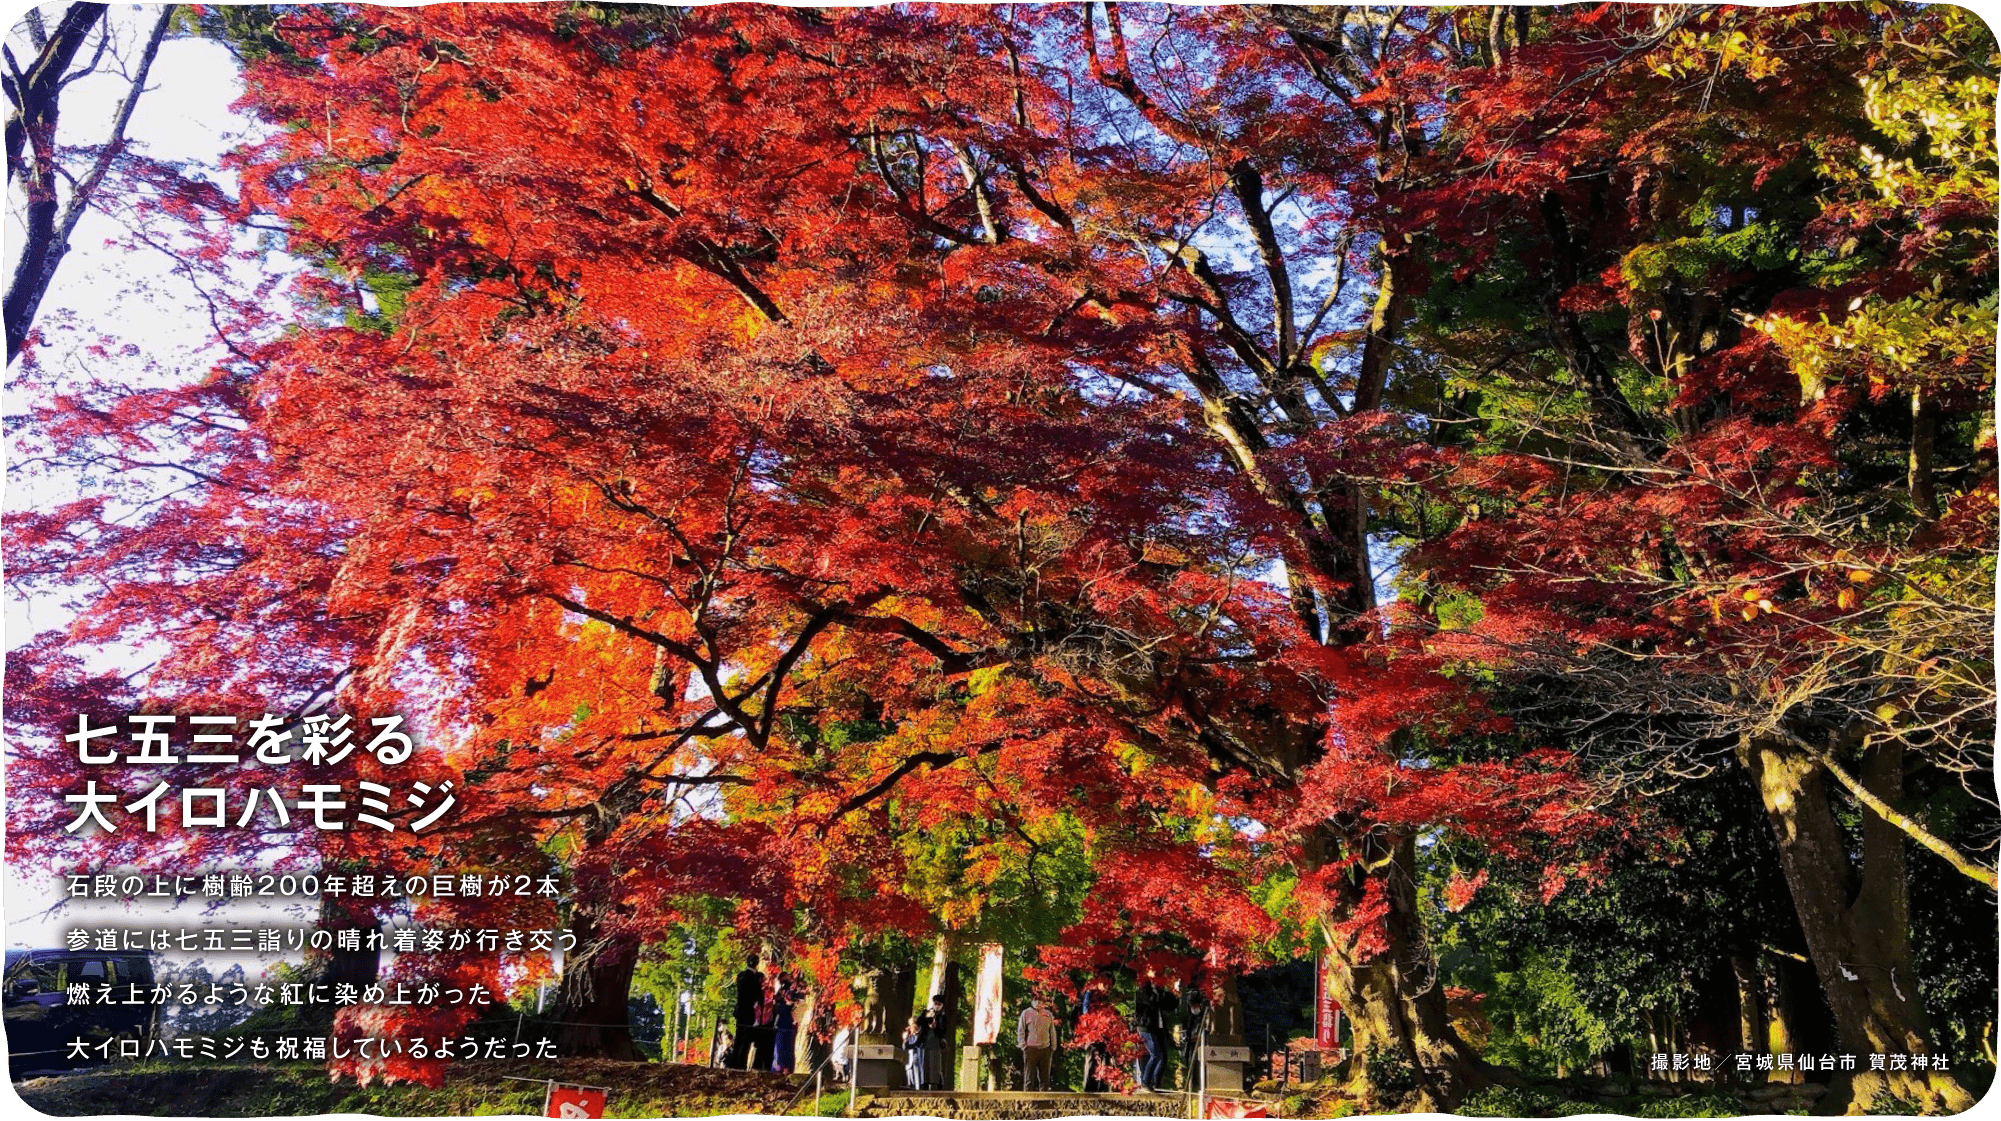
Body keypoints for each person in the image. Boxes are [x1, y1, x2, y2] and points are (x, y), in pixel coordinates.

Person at [1016, 993, 1058, 1091]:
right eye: (1036, 1001)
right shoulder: (1026, 1013)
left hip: (1045, 1048)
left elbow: (1052, 1031)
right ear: (1032, 1002)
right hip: (1030, 1048)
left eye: (1041, 1002)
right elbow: (1021, 1030)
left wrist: (1053, 1046)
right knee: (1029, 1076)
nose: (1038, 1003)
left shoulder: (1048, 1014)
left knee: (1045, 1077)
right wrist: (1023, 1045)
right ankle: (1028, 1098)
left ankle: (1044, 1097)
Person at [728, 955, 762, 1069]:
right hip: (748, 1010)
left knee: (738, 1037)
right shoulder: (755, 978)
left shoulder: (740, 975)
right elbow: (758, 995)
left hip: (739, 1010)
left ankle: (734, 1062)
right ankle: (741, 1064)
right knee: (746, 1039)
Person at [1178, 978, 1209, 1090]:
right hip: (1190, 1043)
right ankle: (1191, 1085)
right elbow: (1187, 1027)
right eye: (1191, 1005)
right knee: (1190, 1063)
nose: (1193, 1007)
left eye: (1194, 1005)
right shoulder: (1188, 1014)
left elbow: (1206, 1028)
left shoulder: (1205, 1012)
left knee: (1200, 1065)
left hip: (1203, 1043)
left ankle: (1200, 1085)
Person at [771, 973, 800, 1073]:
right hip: (783, 1022)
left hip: (787, 1023)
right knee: (781, 1047)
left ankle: (785, 1068)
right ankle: (780, 1067)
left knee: (786, 1048)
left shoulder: (792, 993)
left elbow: (792, 1004)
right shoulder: (782, 992)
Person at [919, 994, 950, 1090]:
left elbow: (942, 1031)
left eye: (939, 1004)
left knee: (934, 1065)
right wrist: (928, 1018)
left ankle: (938, 1084)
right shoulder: (927, 1012)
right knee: (924, 1064)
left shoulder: (942, 1016)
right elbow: (919, 1021)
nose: (937, 1006)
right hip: (924, 1043)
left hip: (935, 1043)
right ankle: (923, 1084)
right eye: (935, 1003)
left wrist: (935, 1026)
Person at [751, 976, 780, 1073]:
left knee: (768, 1049)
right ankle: (757, 1068)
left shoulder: (774, 997)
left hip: (770, 1025)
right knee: (761, 1049)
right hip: (762, 1024)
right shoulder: (761, 996)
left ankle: (766, 1068)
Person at [902, 1016, 928, 1091]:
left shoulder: (922, 1034)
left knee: (918, 1080)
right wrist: (905, 1039)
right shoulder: (910, 1036)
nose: (909, 1027)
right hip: (909, 1062)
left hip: (918, 1062)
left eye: (911, 1025)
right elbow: (904, 1048)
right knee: (910, 1080)